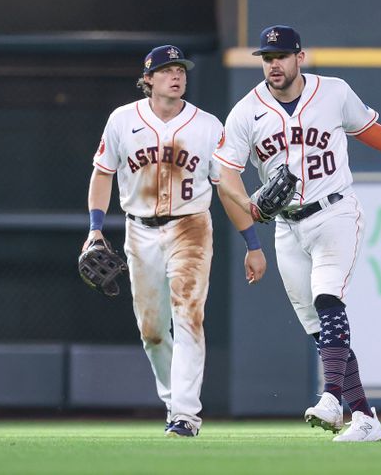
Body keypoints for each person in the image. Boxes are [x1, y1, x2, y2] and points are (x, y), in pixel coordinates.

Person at [214, 25, 381, 442]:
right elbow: (224, 173)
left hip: (334, 212)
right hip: (286, 225)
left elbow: (367, 128)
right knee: (319, 327)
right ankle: (366, 417)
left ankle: (332, 396)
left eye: (281, 56)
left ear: (300, 58)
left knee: (327, 298)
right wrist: (249, 208)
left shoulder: (333, 92)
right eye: (266, 57)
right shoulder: (247, 110)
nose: (273, 64)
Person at [85, 45, 256, 438]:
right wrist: (95, 228)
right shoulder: (122, 120)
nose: (176, 76)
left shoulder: (207, 125)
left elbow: (227, 187)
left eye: (180, 69)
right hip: (138, 229)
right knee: (153, 331)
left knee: (189, 316)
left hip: (190, 226)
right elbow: (102, 174)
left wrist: (252, 241)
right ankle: (172, 403)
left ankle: (184, 414)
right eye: (166, 70)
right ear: (148, 79)